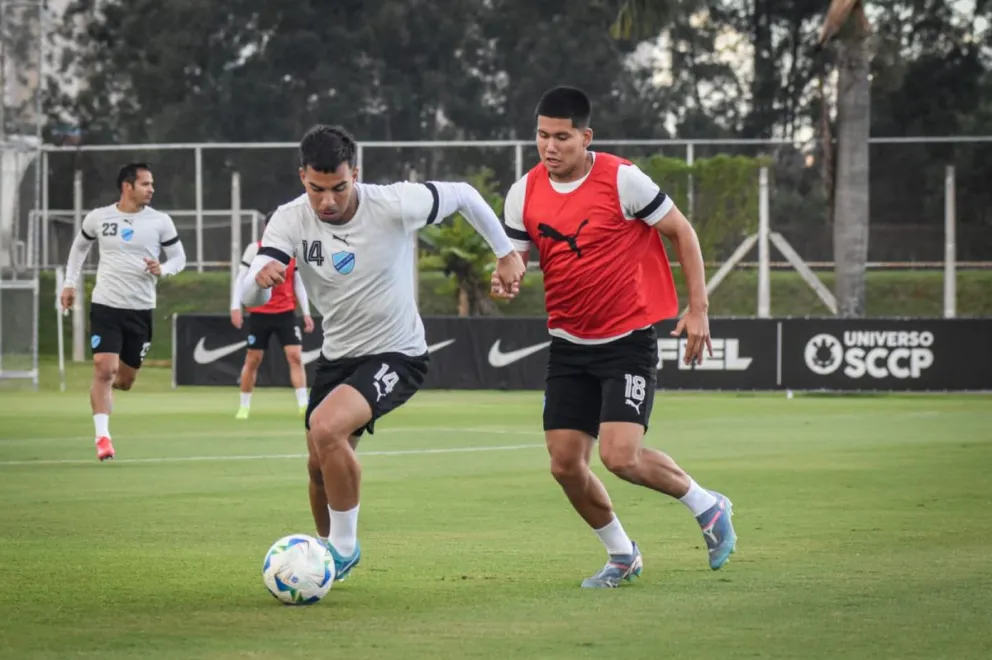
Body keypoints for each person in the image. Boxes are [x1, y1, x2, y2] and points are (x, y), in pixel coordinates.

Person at [241, 124, 526, 581]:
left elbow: (466, 196)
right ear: (302, 178)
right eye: (317, 189)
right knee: (317, 465)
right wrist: (257, 283)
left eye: (338, 187)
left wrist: (506, 251)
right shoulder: (289, 218)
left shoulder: (393, 204)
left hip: (398, 353)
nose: (327, 201)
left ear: (355, 173)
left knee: (327, 427)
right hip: (338, 356)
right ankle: (324, 561)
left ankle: (345, 549)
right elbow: (249, 295)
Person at [492, 86, 737, 588]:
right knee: (564, 466)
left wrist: (699, 308)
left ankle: (707, 505)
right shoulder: (523, 192)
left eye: (562, 137)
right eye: (542, 136)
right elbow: (515, 257)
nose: (549, 147)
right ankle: (622, 555)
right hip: (567, 345)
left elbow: (682, 232)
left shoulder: (622, 180)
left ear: (586, 136)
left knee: (620, 456)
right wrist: (506, 275)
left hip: (626, 340)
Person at [60, 162, 187, 462]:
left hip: (140, 310)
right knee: (105, 369)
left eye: (152, 184)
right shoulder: (99, 217)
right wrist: (69, 284)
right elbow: (79, 247)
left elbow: (179, 258)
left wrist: (163, 269)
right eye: (146, 184)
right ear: (127, 186)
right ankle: (102, 437)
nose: (151, 189)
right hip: (106, 306)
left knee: (124, 380)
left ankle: (104, 392)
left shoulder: (160, 221)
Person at [230, 211, 315, 419]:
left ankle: (303, 405)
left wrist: (306, 312)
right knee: (253, 359)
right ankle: (244, 406)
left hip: (285, 312)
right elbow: (241, 278)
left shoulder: (293, 250)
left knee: (295, 356)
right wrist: (235, 307)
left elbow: (298, 282)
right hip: (260, 313)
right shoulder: (255, 249)